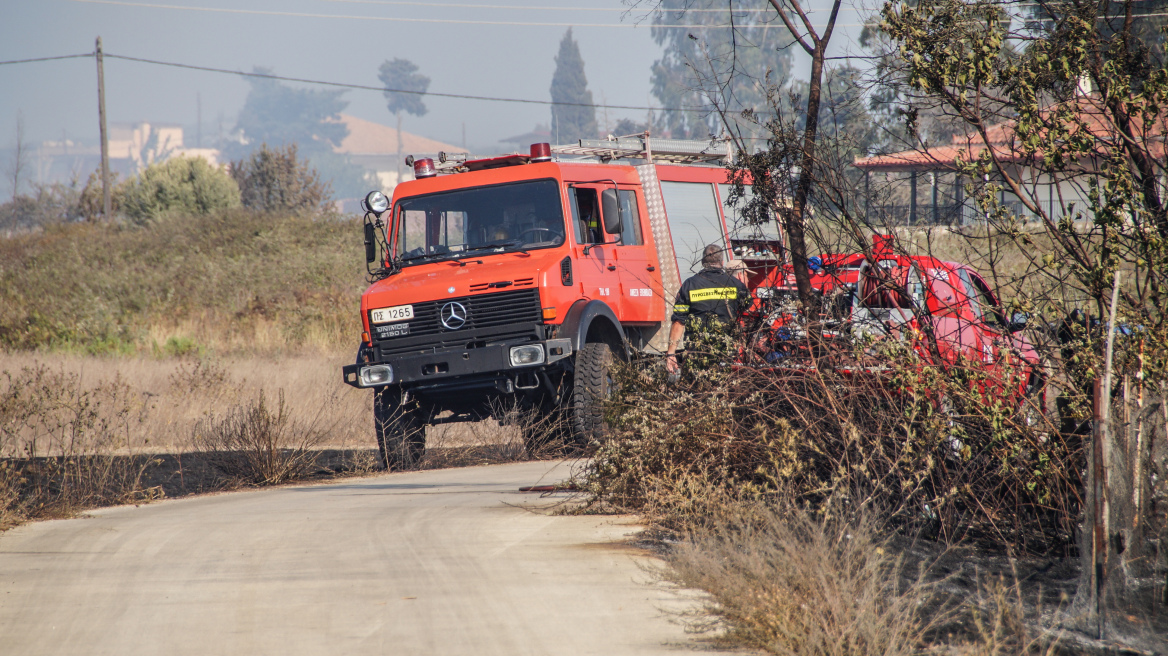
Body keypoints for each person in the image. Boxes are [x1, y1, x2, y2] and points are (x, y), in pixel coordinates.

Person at [665, 244, 750, 375]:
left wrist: (671, 353)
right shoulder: (736, 285)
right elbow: (748, 315)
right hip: (726, 352)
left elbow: (679, 321)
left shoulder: (690, 285)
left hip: (697, 353)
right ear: (722, 262)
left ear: (703, 262)